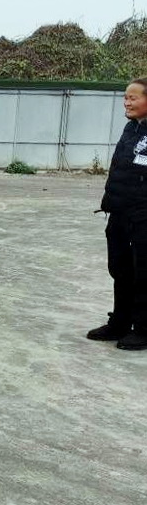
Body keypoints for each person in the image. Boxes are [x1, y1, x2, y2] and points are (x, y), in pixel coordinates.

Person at [88, 77, 147, 350]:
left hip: (143, 215)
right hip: (120, 211)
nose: (127, 102)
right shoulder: (131, 127)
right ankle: (120, 322)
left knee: (143, 272)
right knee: (120, 268)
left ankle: (143, 329)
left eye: (133, 97)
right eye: (125, 97)